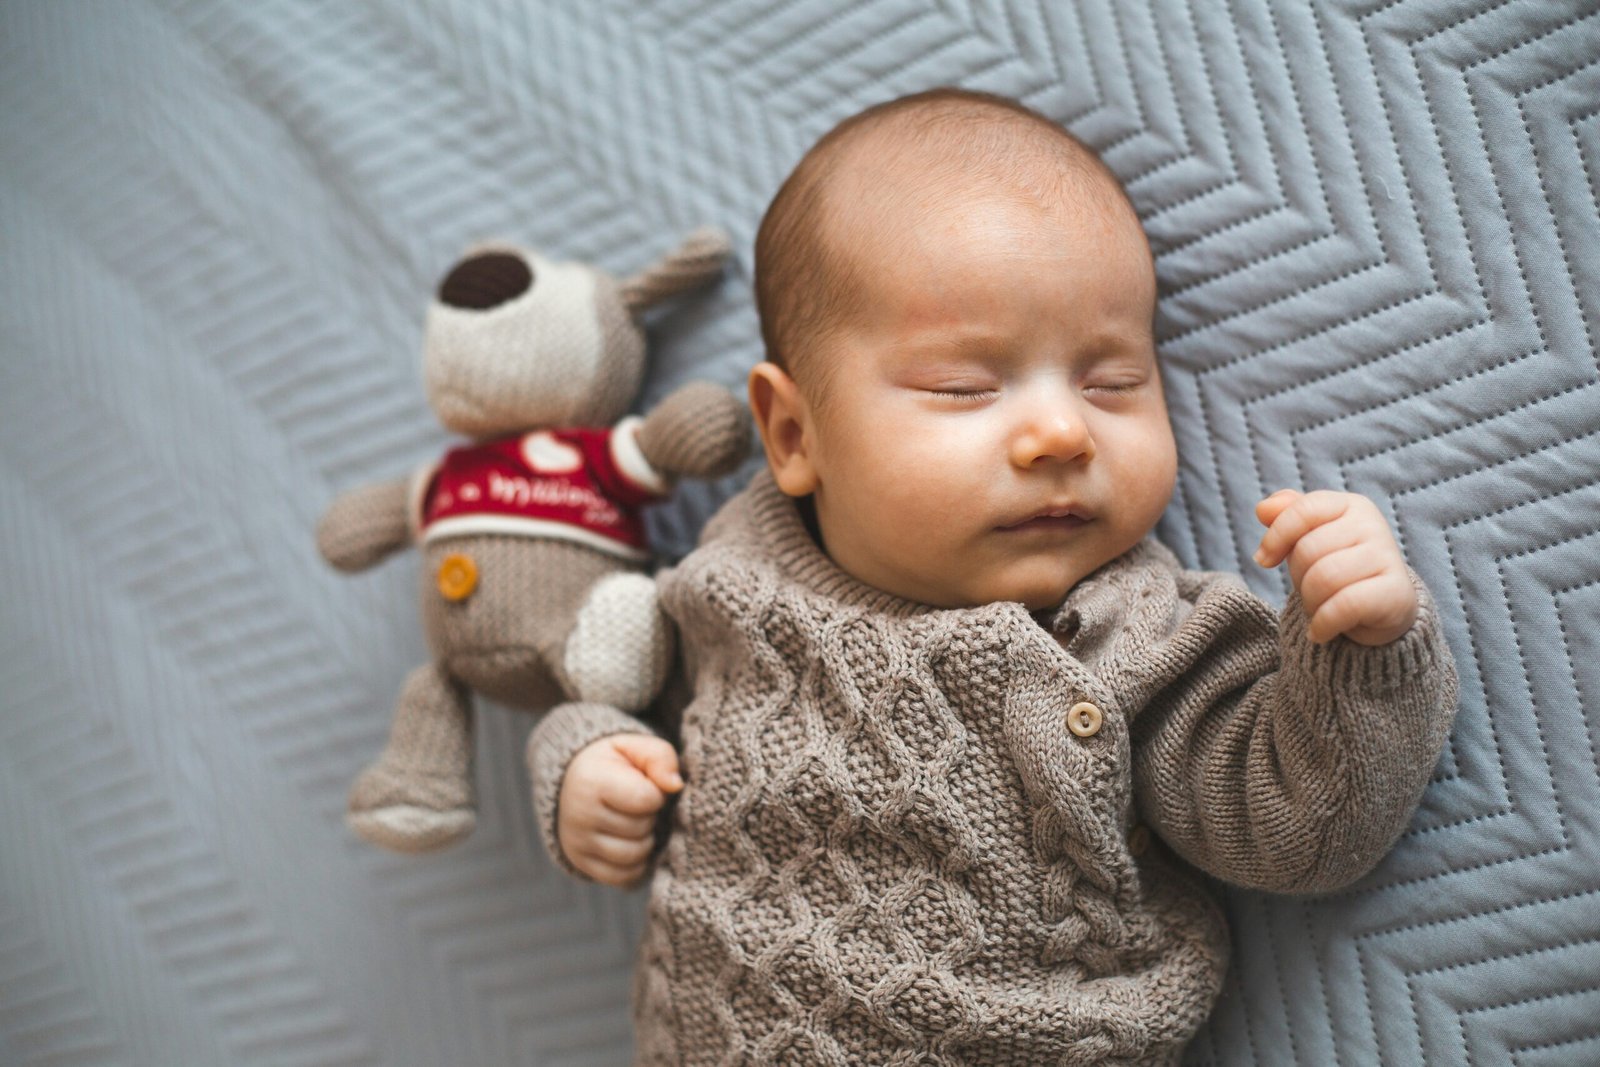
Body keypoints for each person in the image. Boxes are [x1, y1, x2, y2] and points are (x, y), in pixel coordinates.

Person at [526, 87, 1459, 1064]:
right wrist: (585, 766)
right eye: (964, 387)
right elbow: (630, 714)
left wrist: (1357, 650)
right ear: (794, 433)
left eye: (1111, 382)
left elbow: (1299, 830)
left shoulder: (1131, 631)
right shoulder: (727, 580)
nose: (1062, 430)